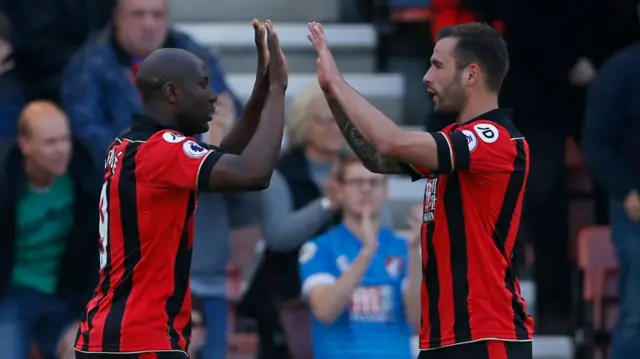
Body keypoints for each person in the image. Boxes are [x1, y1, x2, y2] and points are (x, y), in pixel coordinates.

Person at [307, 21, 534, 359]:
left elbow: (391, 140)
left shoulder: (495, 138)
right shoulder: (456, 141)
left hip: (485, 336)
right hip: (442, 338)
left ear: (471, 75)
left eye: (438, 65)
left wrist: (339, 83)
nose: (427, 76)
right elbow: (379, 157)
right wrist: (331, 91)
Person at [73, 19, 288, 359]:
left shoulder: (128, 145)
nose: (213, 96)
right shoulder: (162, 150)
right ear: (172, 92)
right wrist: (278, 93)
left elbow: (223, 160)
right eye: (202, 86)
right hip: (141, 338)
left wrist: (259, 96)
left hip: (110, 334)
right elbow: (254, 173)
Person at [61, 0, 241, 163]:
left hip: (199, 170)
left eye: (158, 15)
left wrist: (224, 123)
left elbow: (229, 109)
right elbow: (90, 138)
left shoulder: (192, 53)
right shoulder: (88, 66)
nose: (149, 24)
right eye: (138, 14)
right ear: (118, 17)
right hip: (128, 180)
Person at [0, 101, 100, 359]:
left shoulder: (84, 181)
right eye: (50, 142)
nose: (62, 150)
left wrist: (85, 317)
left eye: (65, 139)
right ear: (25, 144)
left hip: (65, 295)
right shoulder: (6, 183)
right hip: (13, 294)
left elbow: (96, 257)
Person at [299, 153, 422, 359]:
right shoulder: (319, 248)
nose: (365, 188)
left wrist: (415, 252)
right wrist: (367, 252)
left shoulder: (404, 247)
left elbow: (418, 321)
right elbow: (325, 311)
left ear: (386, 191)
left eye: (374, 182)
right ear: (340, 191)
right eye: (356, 182)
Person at [582, 4, 640, 356]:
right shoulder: (620, 71)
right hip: (634, 207)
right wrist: (627, 192)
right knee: (637, 313)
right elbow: (596, 142)